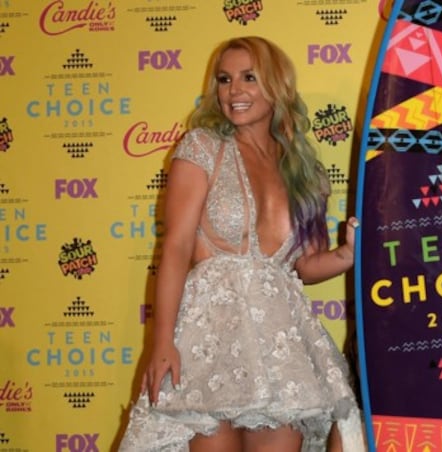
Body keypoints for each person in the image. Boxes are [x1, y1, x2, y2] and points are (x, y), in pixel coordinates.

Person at [119, 36, 365, 451]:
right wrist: (161, 341)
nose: (234, 91)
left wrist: (348, 254)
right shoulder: (203, 147)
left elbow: (304, 267)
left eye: (249, 77)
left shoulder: (305, 174)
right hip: (210, 338)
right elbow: (176, 248)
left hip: (279, 343)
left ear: (277, 85)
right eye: (224, 79)